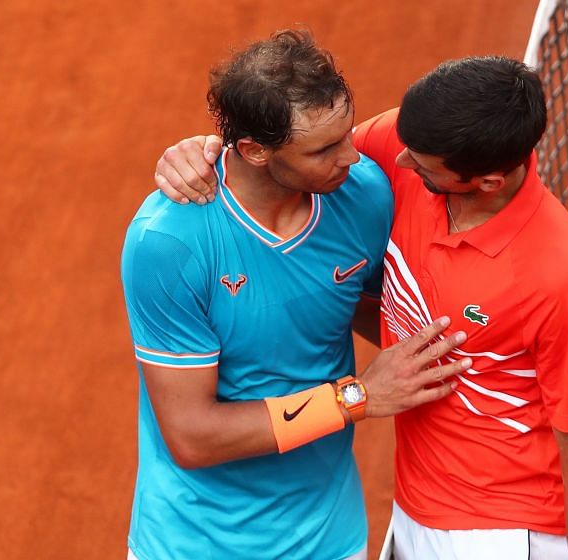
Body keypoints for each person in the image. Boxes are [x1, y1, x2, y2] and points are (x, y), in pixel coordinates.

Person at [156, 54, 568, 559]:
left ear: (487, 181)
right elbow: (291, 151)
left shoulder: (559, 276)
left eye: (420, 166)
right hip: (418, 509)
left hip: (506, 529)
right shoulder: (422, 140)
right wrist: (205, 153)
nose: (389, 160)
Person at [121, 30, 473, 560]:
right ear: (255, 151)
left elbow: (359, 304)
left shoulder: (364, 196)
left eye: (346, 134)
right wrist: (360, 397)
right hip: (193, 544)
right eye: (325, 148)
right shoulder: (171, 242)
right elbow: (194, 437)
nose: (351, 157)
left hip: (329, 538)